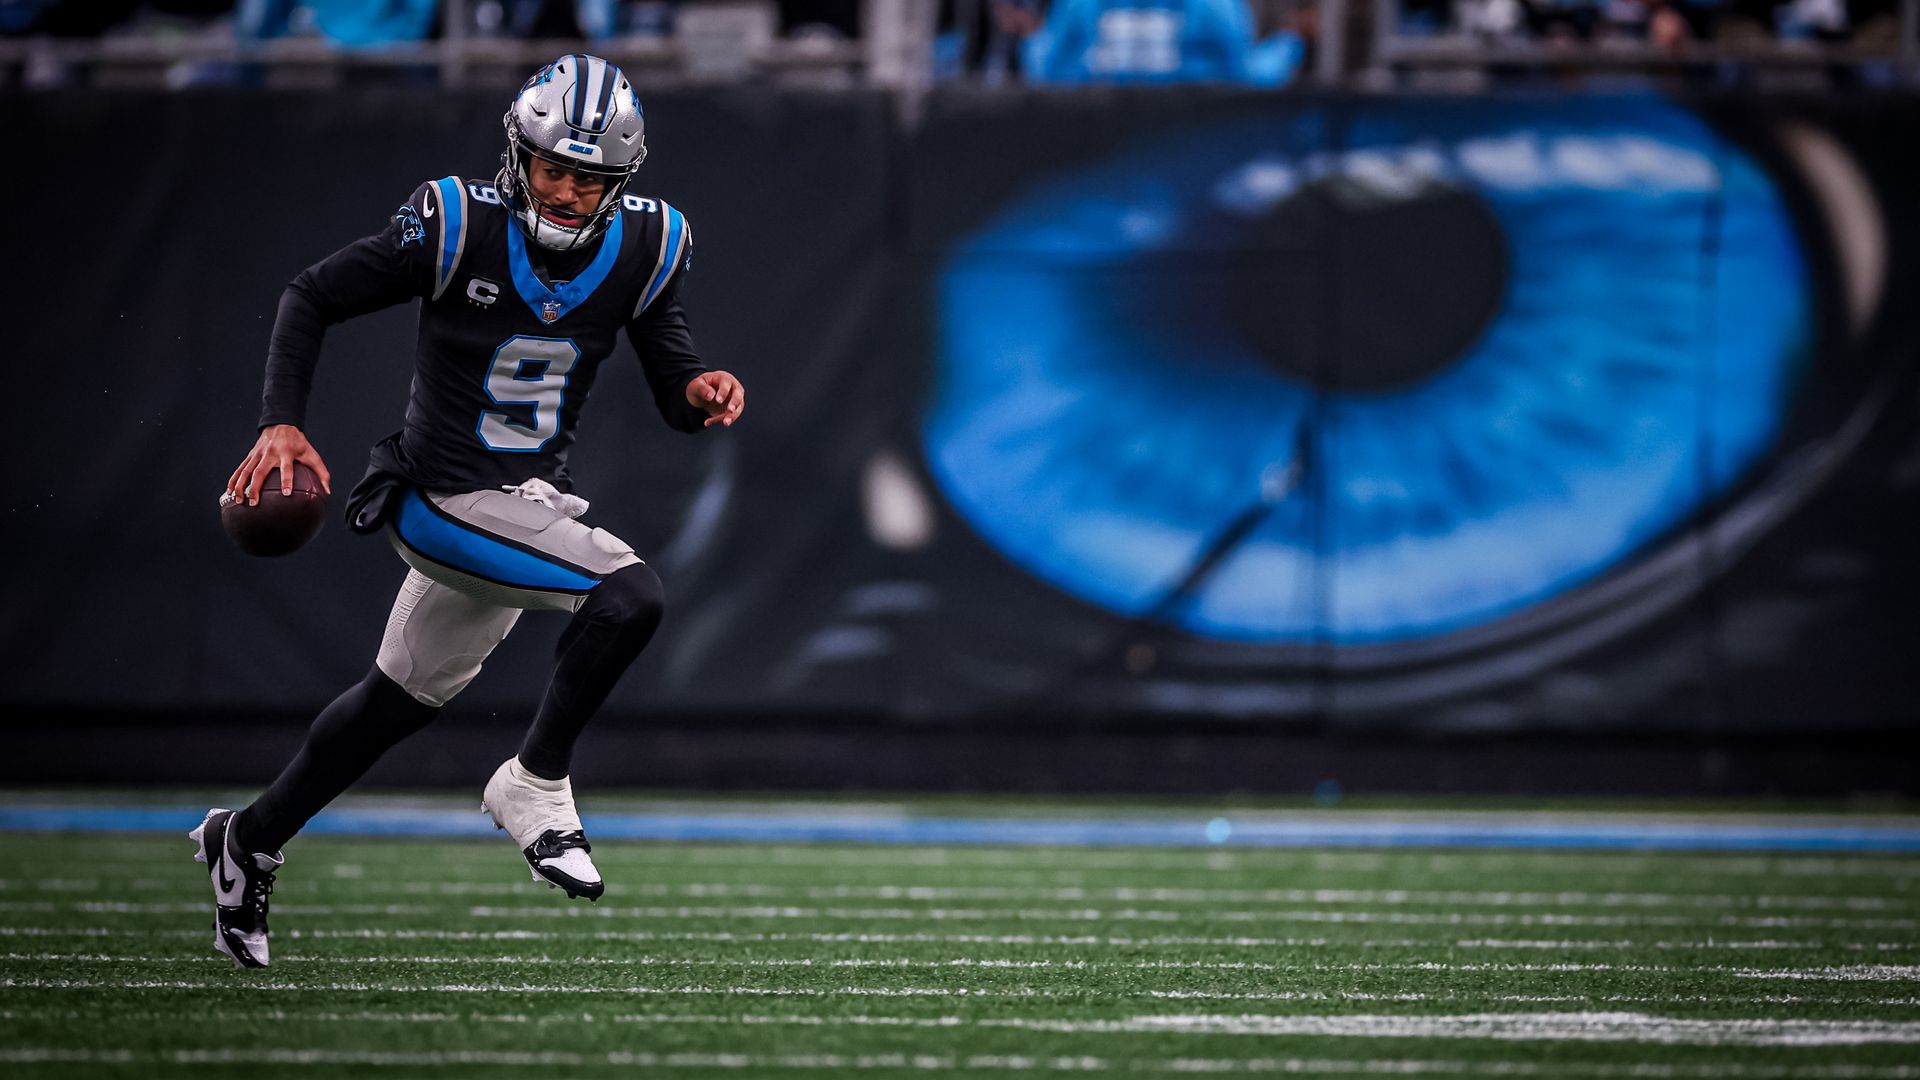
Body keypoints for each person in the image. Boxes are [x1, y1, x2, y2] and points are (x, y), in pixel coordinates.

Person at [191, 53, 745, 970]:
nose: (567, 190)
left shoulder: (649, 245)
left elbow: (671, 375)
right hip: (439, 498)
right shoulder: (454, 224)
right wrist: (280, 423)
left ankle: (245, 841)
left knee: (393, 704)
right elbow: (313, 295)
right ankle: (534, 782)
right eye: (553, 167)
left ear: (622, 178)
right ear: (518, 154)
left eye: (589, 176)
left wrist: (701, 390)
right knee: (629, 595)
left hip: (522, 504)